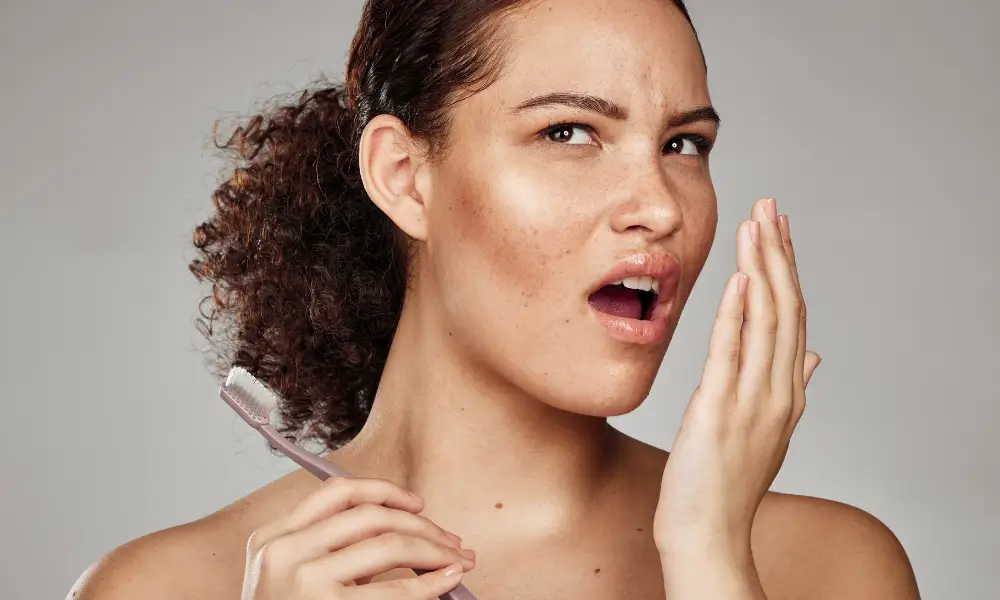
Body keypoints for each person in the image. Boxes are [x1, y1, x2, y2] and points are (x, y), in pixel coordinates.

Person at [70, 0, 921, 598]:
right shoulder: (161, 589)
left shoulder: (824, 566)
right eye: (568, 132)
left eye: (684, 143)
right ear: (404, 178)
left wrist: (707, 558)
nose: (662, 206)